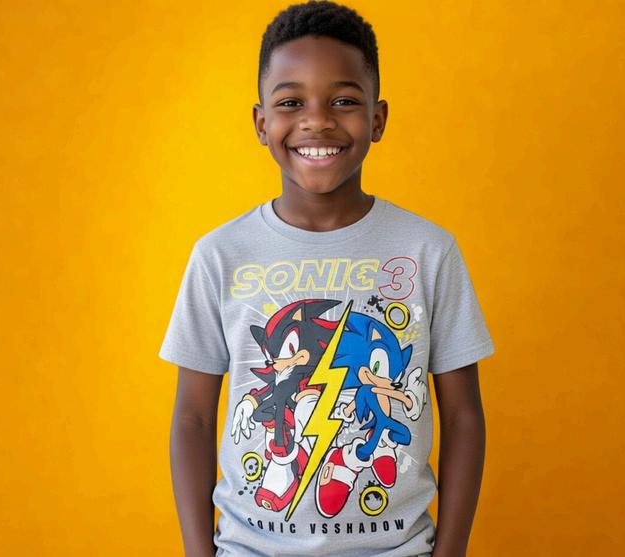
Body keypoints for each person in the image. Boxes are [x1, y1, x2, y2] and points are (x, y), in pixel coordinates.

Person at [159, 2, 495, 556]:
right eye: (291, 102)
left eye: (343, 101)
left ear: (378, 119)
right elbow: (192, 418)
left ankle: (357, 459)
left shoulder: (428, 251)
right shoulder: (220, 255)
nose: (317, 121)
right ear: (261, 122)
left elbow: (463, 416)